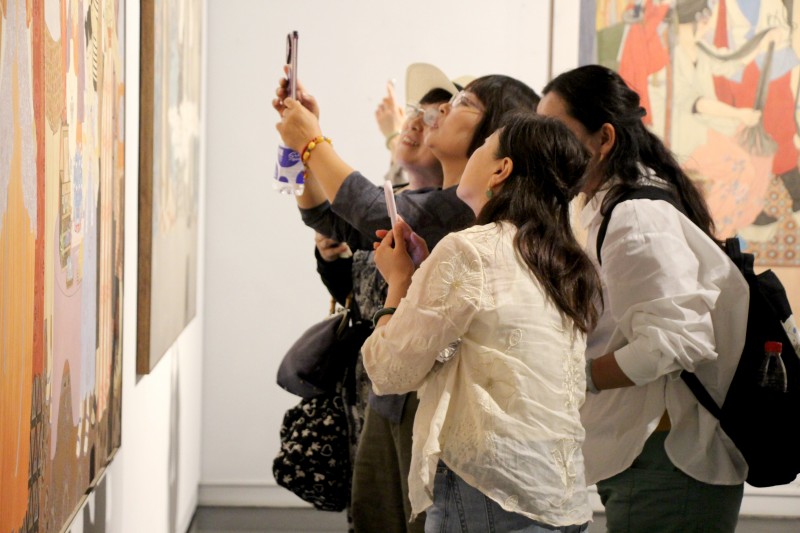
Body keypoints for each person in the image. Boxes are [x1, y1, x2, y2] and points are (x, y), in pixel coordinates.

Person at [274, 67, 540, 532]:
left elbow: (366, 210)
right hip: (384, 395)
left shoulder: (461, 212)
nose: (431, 117)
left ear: (494, 142)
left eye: (458, 104)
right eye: (422, 111)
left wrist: (311, 141)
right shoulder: (429, 200)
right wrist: (299, 144)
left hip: (424, 402)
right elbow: (326, 216)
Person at [361, 112, 601, 532]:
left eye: (483, 145)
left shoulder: (468, 251)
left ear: (501, 169)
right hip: (559, 492)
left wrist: (398, 282)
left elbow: (389, 370)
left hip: (487, 490)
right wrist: (424, 277)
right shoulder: (565, 263)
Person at [538, 64, 750, 532]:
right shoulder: (617, 205)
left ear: (604, 138)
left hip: (667, 462)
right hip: (652, 455)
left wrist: (578, 378)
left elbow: (677, 341)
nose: (545, 146)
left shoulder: (634, 216)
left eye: (557, 131)